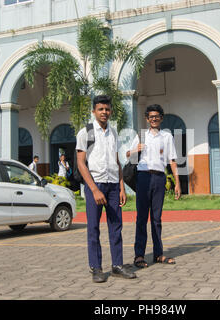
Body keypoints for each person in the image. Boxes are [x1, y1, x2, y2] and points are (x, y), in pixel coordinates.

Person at [76, 95, 136, 283]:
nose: (104, 112)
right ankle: (96, 268)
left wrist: (121, 187)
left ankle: (117, 265)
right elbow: (80, 163)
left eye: (107, 109)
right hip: (96, 184)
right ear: (94, 111)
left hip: (112, 185)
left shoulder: (113, 132)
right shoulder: (86, 132)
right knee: (93, 228)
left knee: (116, 226)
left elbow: (116, 161)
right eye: (100, 109)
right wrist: (94, 189)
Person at [126, 104, 181, 269]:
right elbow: (128, 154)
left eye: (157, 116)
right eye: (151, 117)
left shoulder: (167, 136)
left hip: (159, 178)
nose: (154, 119)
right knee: (141, 218)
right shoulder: (141, 136)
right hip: (143, 177)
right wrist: (135, 149)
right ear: (147, 119)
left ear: (161, 118)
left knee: (156, 219)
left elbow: (172, 160)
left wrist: (177, 182)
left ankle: (158, 254)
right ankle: (139, 256)